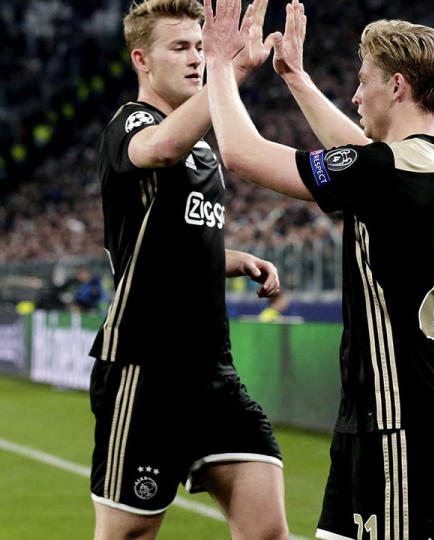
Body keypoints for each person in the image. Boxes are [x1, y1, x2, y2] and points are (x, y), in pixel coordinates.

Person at [202, 1, 434, 538]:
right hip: (390, 409)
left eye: (363, 81)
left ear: (397, 86)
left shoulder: (383, 172)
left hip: (393, 414)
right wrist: (297, 79)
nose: (355, 96)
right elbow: (370, 157)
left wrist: (219, 63)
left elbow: (239, 153)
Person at [87, 1, 289, 538]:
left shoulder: (204, 146)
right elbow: (162, 146)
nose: (197, 58)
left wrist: (237, 260)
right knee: (127, 534)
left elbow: (175, 246)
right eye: (180, 47)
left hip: (211, 371)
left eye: (201, 47)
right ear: (141, 60)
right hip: (144, 366)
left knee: (268, 531)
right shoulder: (133, 124)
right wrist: (228, 76)